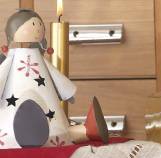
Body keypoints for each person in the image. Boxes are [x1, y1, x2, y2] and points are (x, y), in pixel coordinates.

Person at [0, 9, 107, 149]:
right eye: (33, 25)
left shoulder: (41, 60)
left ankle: (47, 131)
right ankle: (26, 130)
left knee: (56, 126)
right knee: (54, 128)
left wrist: (66, 92)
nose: (37, 29)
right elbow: (2, 73)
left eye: (39, 25)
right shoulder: (11, 59)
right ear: (14, 30)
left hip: (47, 110)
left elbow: (54, 74)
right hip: (9, 123)